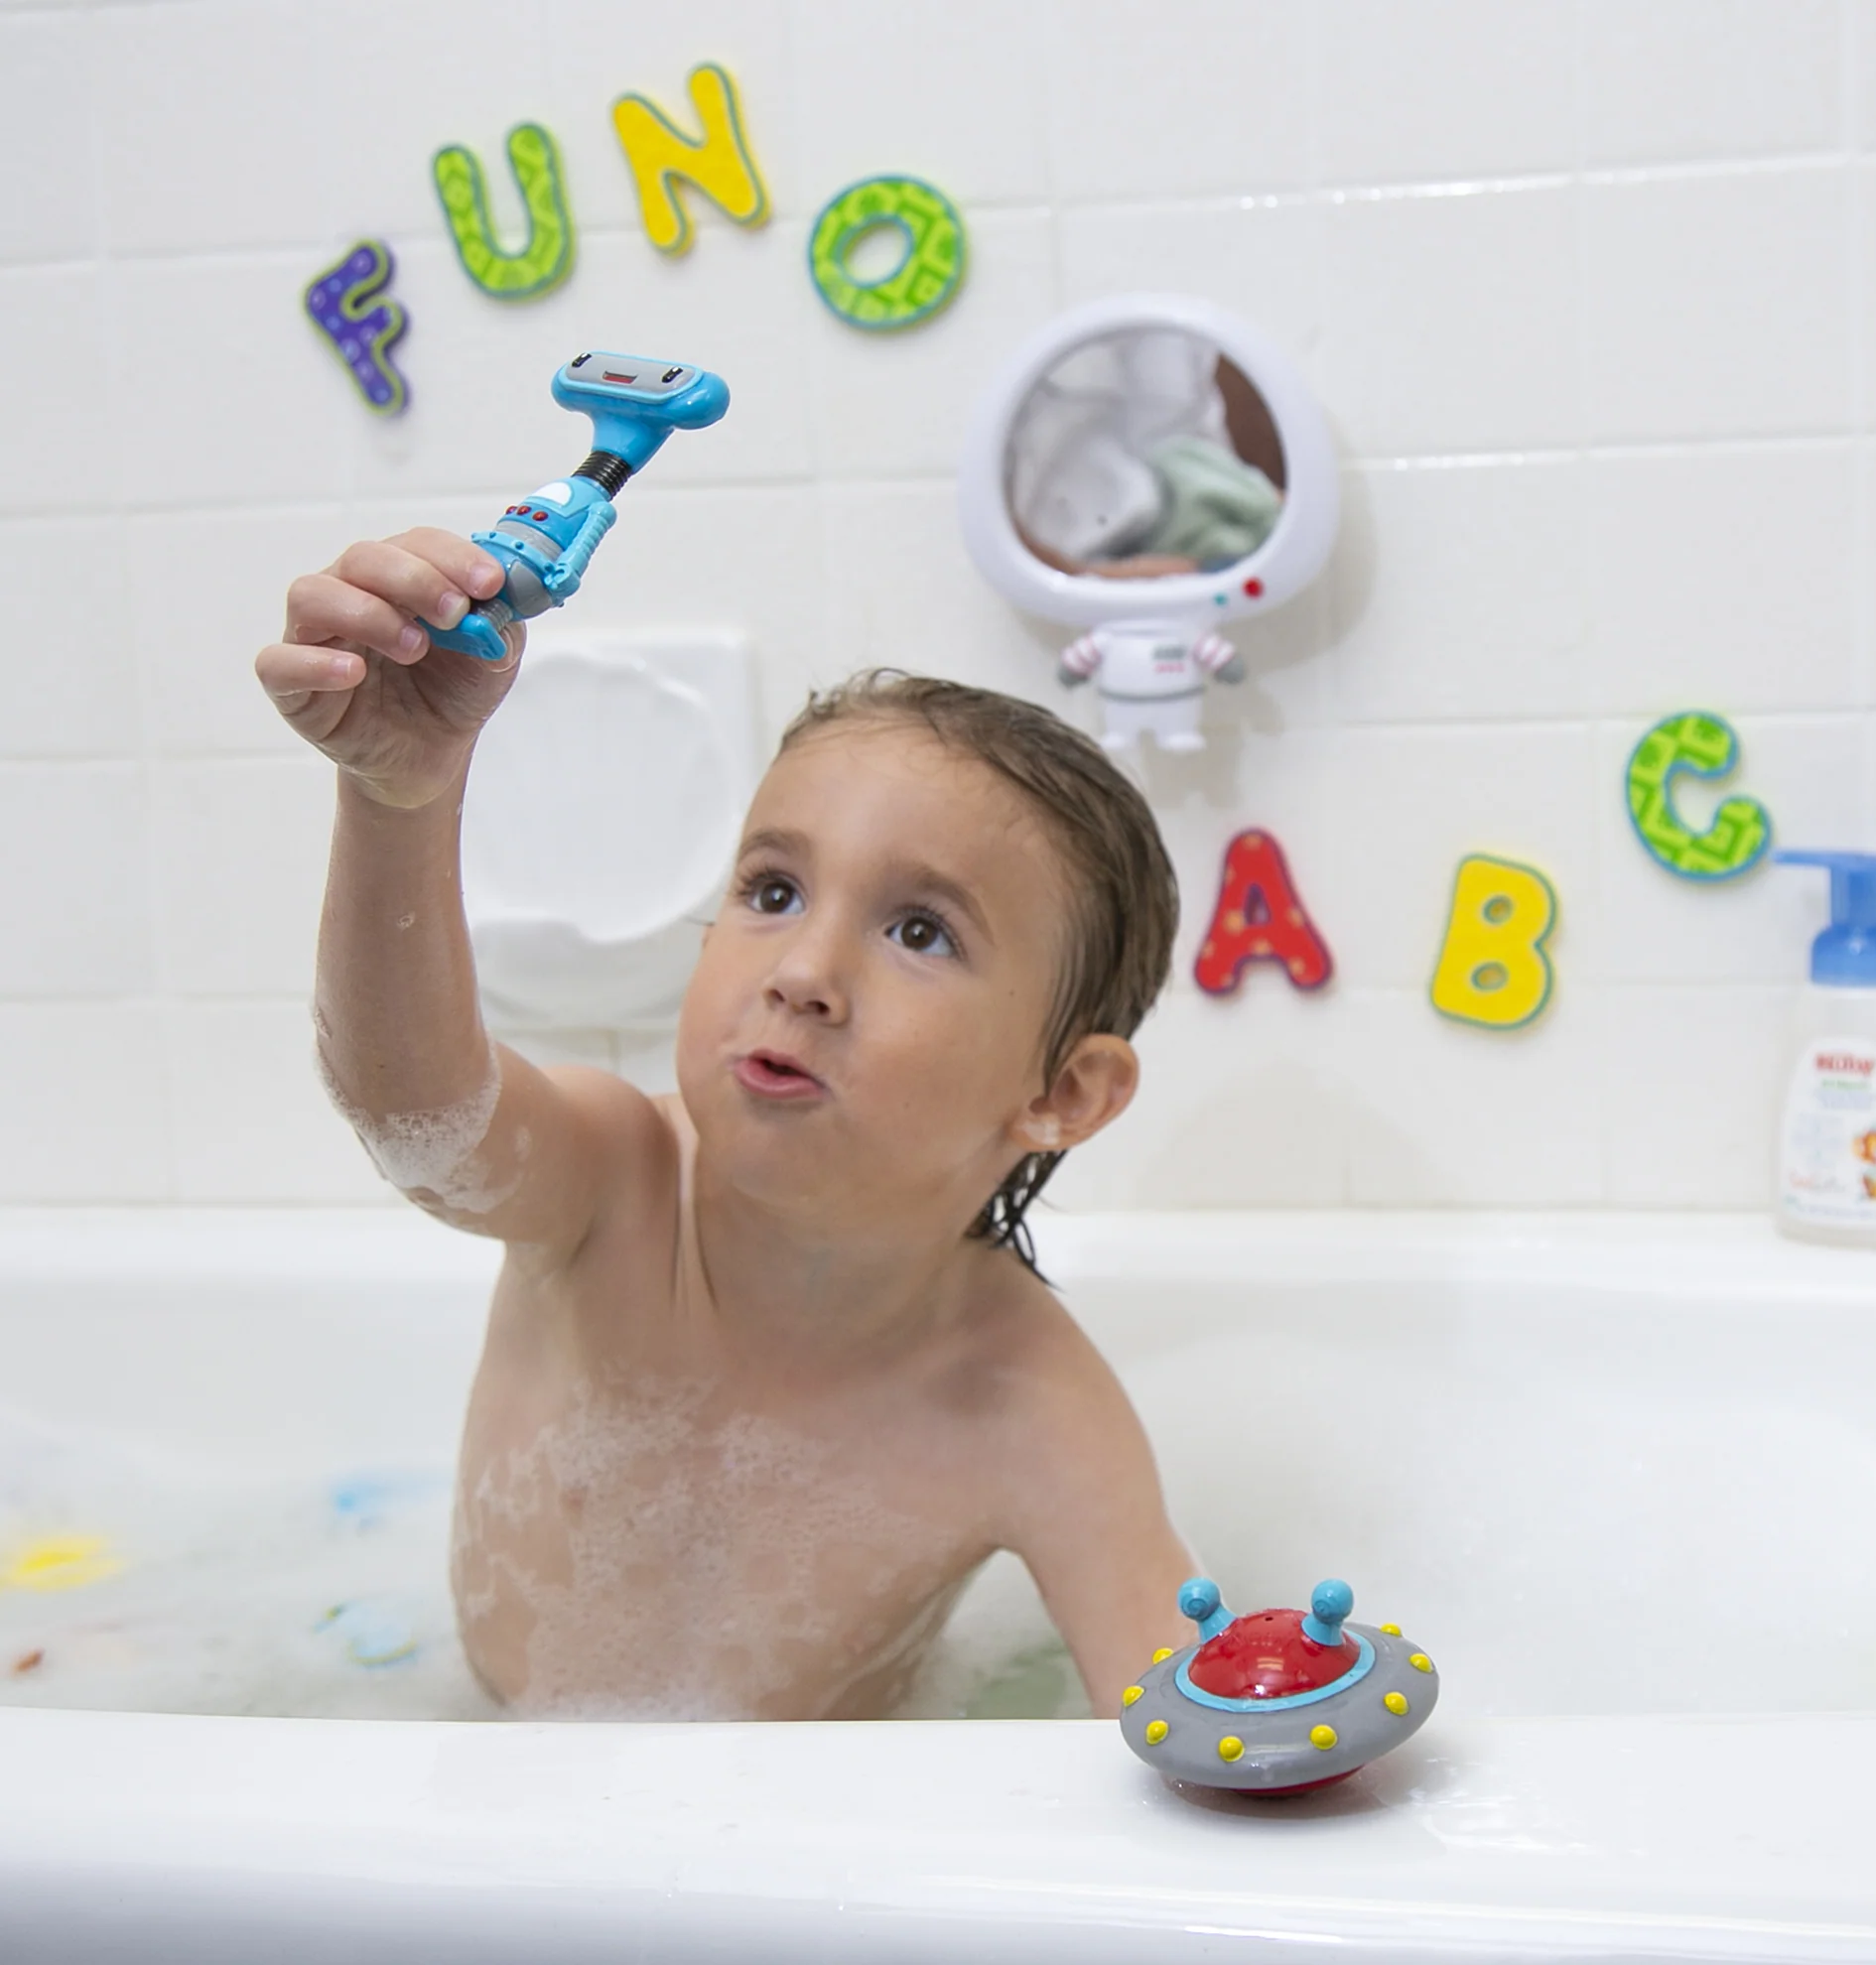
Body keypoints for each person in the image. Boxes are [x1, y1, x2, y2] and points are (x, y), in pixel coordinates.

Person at [257, 530, 1198, 1720]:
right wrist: (400, 796)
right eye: (772, 891)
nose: (804, 968)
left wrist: (1278, 1726)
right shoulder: (614, 1183)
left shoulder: (1026, 1397)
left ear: (1063, 1094)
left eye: (921, 932)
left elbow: (1175, 1705)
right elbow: (418, 1118)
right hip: (490, 1782)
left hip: (800, 1864)